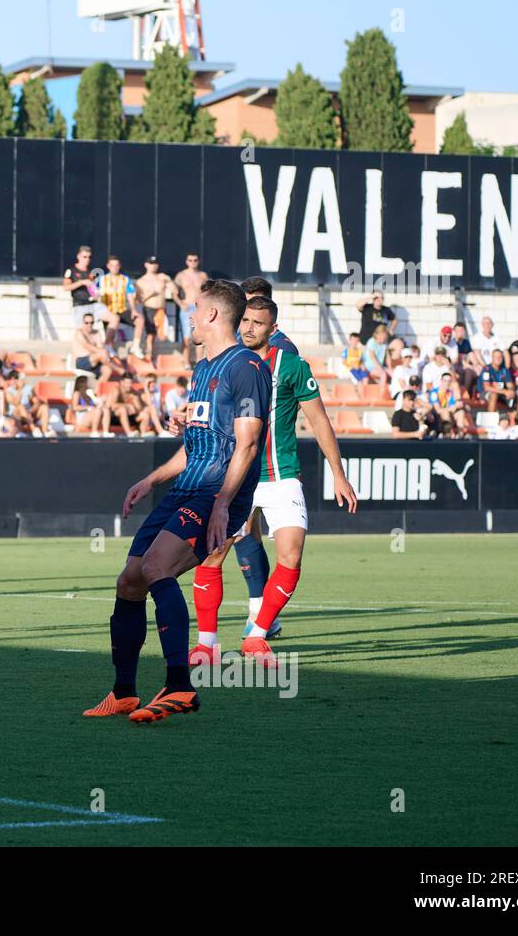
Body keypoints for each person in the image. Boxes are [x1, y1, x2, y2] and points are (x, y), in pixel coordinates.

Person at [84, 279, 270, 724]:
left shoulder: (246, 365)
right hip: (185, 487)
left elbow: (246, 443)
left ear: (212, 315)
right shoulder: (203, 367)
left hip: (213, 494)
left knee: (155, 569)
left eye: (194, 307)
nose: (188, 314)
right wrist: (150, 479)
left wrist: (225, 502)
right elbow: (196, 443)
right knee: (129, 580)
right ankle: (125, 691)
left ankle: (180, 686)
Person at [188, 293, 358, 658]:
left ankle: (257, 634)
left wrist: (338, 474)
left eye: (258, 324)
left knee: (292, 556)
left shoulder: (293, 366)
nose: (249, 328)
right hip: (235, 477)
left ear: (273, 329)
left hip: (282, 476)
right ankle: (206, 645)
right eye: (245, 321)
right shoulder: (222, 363)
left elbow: (319, 421)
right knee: (212, 556)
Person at [98, 256, 143, 355]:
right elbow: (92, 291)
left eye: (116, 265)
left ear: (119, 266)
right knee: (114, 320)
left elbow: (130, 294)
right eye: (112, 265)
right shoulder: (101, 280)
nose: (114, 267)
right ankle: (107, 346)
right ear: (108, 266)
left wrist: (134, 309)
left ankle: (135, 347)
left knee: (139, 319)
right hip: (107, 311)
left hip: (121, 309)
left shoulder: (125, 279)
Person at [136, 256, 176, 354]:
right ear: (146, 265)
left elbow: (175, 291)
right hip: (149, 308)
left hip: (161, 309)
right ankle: (149, 355)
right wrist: (150, 294)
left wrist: (169, 282)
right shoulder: (141, 281)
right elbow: (138, 300)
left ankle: (154, 355)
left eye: (155, 263)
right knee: (151, 334)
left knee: (162, 335)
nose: (153, 266)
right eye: (151, 263)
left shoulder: (162, 277)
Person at [173, 252, 208, 361]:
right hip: (187, 308)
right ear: (186, 261)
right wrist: (181, 304)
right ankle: (186, 362)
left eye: (195, 260)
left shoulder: (203, 275)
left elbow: (208, 293)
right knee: (187, 337)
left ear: (198, 261)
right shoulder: (181, 275)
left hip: (199, 309)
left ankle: (199, 362)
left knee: (200, 337)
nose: (192, 262)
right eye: (190, 260)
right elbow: (174, 293)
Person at [72, 312, 114, 381]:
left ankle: (97, 391)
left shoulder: (95, 333)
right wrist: (102, 352)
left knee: (107, 369)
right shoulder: (79, 332)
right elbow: (86, 345)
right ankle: (119, 370)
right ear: (83, 322)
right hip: (82, 362)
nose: (89, 325)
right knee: (102, 353)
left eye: (91, 322)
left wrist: (102, 352)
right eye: (87, 322)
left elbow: (100, 347)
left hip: (96, 361)